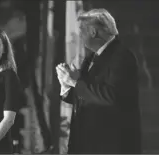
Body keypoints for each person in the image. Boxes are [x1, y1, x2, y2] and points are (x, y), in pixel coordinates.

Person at [56, 9, 141, 154]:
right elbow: (84, 97)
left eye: (82, 30)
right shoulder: (90, 58)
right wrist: (66, 86)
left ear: (93, 32)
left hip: (109, 146)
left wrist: (75, 82)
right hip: (86, 144)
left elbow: (111, 96)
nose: (80, 35)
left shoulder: (122, 56)